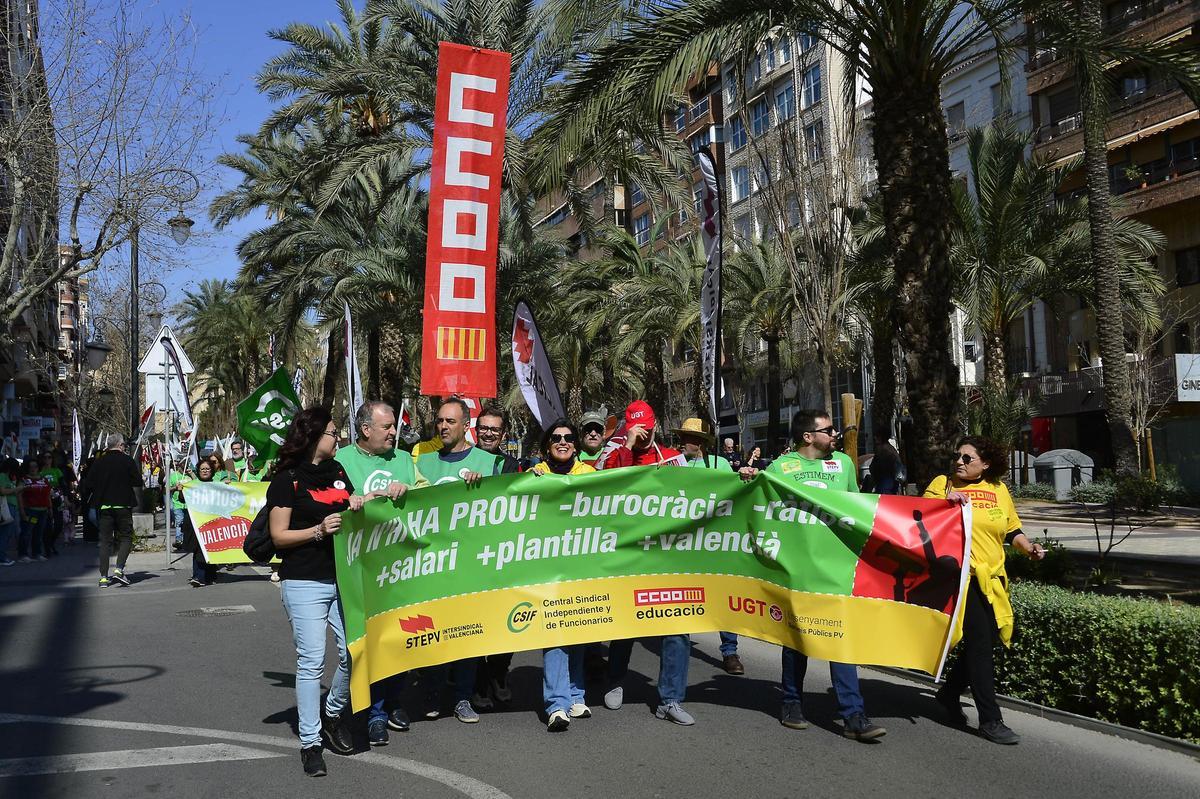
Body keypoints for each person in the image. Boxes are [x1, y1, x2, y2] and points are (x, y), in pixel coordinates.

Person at [739, 409, 886, 741]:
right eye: (828, 429)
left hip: (835, 568)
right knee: (796, 642)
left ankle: (853, 715)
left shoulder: (844, 465)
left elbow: (857, 510)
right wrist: (747, 478)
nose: (834, 434)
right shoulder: (782, 467)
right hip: (799, 569)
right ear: (808, 436)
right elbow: (758, 500)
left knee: (841, 639)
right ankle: (791, 701)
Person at [267, 407, 371, 777]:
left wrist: (364, 501)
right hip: (303, 580)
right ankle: (310, 742)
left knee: (354, 653)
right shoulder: (287, 479)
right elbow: (279, 536)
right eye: (332, 431)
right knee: (312, 662)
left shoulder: (339, 472)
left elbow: (354, 512)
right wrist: (317, 531)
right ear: (313, 437)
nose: (338, 437)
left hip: (343, 577)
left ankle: (331, 715)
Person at [925, 436, 1045, 745]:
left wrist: (1028, 547)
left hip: (993, 580)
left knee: (987, 640)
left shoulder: (998, 489)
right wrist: (944, 506)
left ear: (986, 464)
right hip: (960, 580)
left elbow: (1012, 530)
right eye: (958, 457)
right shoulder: (942, 484)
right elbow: (918, 520)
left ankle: (950, 694)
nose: (959, 462)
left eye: (968, 458)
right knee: (980, 647)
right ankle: (991, 720)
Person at [599, 400, 695, 726]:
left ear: (655, 426)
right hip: (627, 556)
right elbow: (605, 489)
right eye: (635, 429)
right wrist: (626, 446)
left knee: (678, 627)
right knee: (624, 625)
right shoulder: (616, 455)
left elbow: (695, 498)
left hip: (668, 557)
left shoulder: (673, 459)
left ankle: (670, 699)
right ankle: (615, 679)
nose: (641, 434)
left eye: (645, 428)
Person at [414, 398, 502, 723]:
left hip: (470, 564)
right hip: (433, 566)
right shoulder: (423, 463)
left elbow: (503, 509)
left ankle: (463, 698)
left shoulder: (486, 462)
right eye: (439, 421)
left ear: (466, 425)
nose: (443, 427)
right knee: (434, 633)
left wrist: (485, 489)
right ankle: (433, 692)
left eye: (450, 421)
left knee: (468, 633)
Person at [335, 400, 414, 746]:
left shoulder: (404, 460)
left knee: (402, 637)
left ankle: (393, 700)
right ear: (365, 430)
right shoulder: (341, 461)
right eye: (387, 427)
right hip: (362, 569)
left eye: (394, 426)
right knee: (372, 642)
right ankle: (374, 713)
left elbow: (432, 496)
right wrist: (362, 499)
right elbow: (332, 504)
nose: (394, 432)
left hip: (404, 565)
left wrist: (409, 490)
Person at [528, 419, 595, 730]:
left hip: (581, 567)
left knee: (579, 629)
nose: (563, 442)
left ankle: (575, 693)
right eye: (556, 438)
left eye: (569, 437)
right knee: (555, 631)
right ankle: (557, 704)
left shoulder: (591, 476)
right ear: (547, 444)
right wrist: (528, 482)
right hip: (547, 568)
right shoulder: (535, 474)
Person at [673, 418, 745, 676]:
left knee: (724, 596)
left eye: (689, 438)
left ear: (702, 442)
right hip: (684, 543)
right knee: (681, 595)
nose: (684, 442)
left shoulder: (720, 464)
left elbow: (736, 495)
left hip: (715, 541)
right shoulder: (674, 465)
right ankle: (678, 647)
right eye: (682, 437)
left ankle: (730, 651)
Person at [78, 434, 143, 588]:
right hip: (123, 505)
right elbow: (137, 481)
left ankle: (103, 578)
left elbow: (89, 484)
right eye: (124, 445)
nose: (125, 448)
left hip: (105, 506)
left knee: (105, 542)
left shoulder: (99, 462)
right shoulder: (127, 460)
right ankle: (119, 569)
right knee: (126, 537)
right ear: (120, 445)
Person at [185, 460, 219, 587]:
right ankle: (198, 576)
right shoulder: (192, 484)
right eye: (202, 469)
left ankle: (209, 575)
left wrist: (228, 485)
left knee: (210, 549)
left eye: (207, 469)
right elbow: (182, 497)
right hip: (196, 523)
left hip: (212, 522)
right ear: (198, 471)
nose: (205, 471)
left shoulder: (217, 485)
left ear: (212, 471)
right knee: (198, 550)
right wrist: (181, 489)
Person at [20, 458, 53, 561]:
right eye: (30, 467)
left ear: (38, 467)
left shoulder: (43, 479)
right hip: (30, 510)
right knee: (27, 532)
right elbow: (19, 495)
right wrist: (22, 511)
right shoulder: (24, 480)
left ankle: (37, 553)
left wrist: (50, 507)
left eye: (35, 466)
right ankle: (23, 554)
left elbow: (47, 495)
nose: (33, 469)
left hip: (43, 511)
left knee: (39, 533)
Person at [0, 458, 22, 565]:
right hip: (6, 506)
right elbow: (2, 491)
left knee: (8, 533)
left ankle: (3, 556)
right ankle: (2, 557)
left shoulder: (9, 477)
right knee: (5, 533)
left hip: (12, 506)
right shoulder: (2, 476)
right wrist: (16, 489)